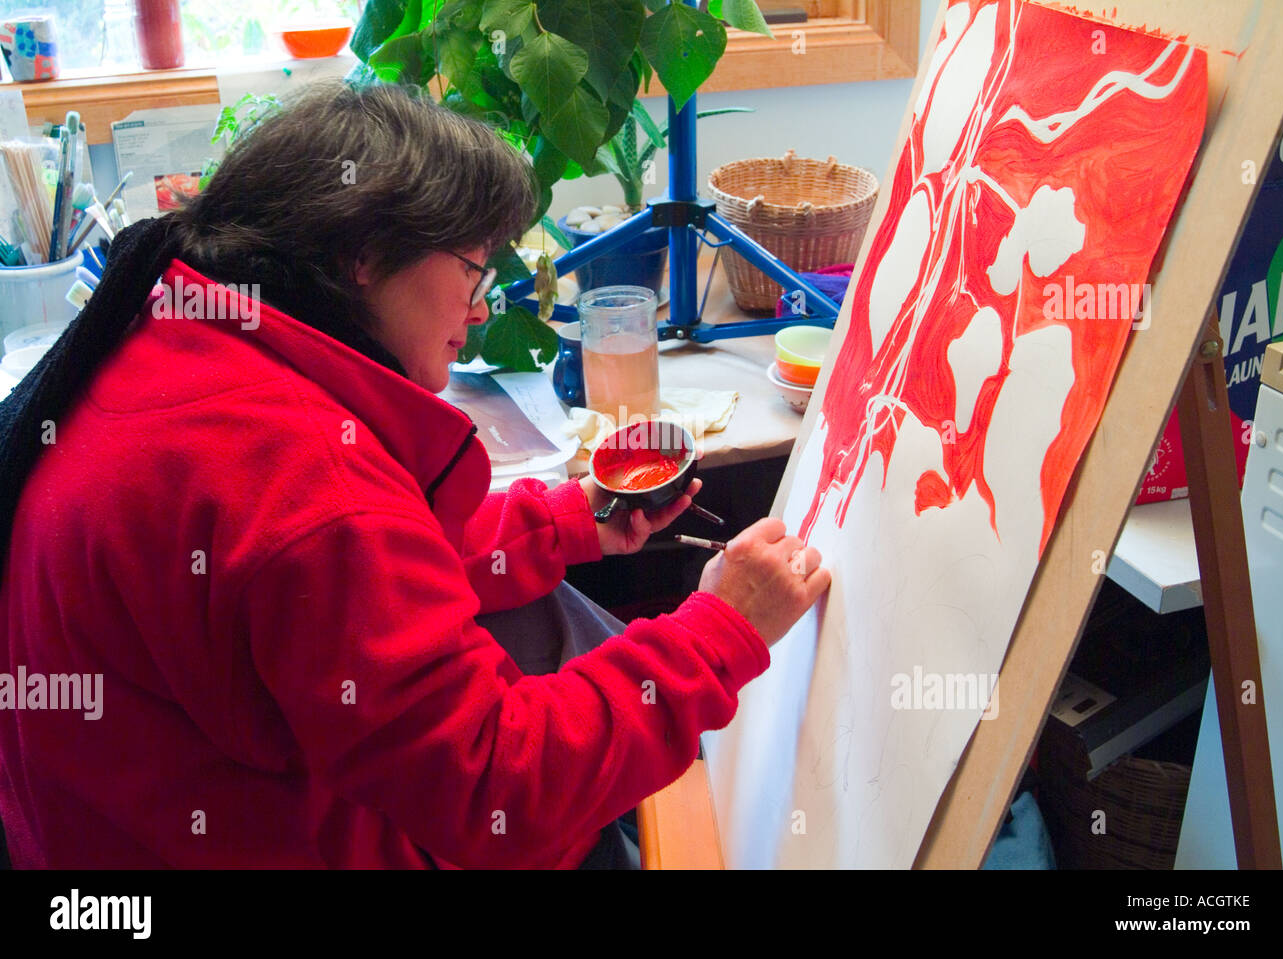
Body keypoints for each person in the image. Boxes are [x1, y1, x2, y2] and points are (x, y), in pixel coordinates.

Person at [0, 80, 830, 869]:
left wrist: (562, 523)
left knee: (557, 626)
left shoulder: (186, 337)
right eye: (472, 267)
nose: (479, 307)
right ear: (363, 255)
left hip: (99, 834)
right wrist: (723, 629)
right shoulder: (305, 478)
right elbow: (497, 786)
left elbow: (347, 587)